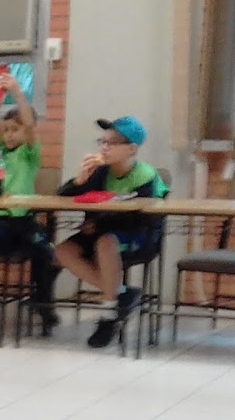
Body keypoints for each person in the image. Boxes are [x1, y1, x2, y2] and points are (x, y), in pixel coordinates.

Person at [55, 116, 169, 349]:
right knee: (62, 251)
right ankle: (121, 293)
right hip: (100, 231)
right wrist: (79, 181)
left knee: (105, 242)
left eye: (112, 143)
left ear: (131, 149)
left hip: (139, 236)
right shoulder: (100, 171)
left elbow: (142, 217)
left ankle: (108, 314)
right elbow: (63, 197)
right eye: (102, 142)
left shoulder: (145, 176)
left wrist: (100, 223)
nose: (104, 148)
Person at [0, 73, 60, 333]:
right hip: (2, 221)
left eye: (14, 130)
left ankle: (43, 301)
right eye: (6, 130)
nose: (8, 135)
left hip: (24, 220)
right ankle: (39, 294)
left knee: (44, 251)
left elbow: (28, 124)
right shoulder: (0, 152)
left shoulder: (29, 153)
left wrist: (16, 91)